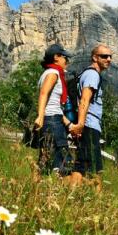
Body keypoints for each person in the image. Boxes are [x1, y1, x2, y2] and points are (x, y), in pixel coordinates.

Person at [71, 44, 112, 176]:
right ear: (95, 58)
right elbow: (84, 100)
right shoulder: (92, 75)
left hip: (87, 125)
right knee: (95, 171)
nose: (109, 59)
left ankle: (69, 195)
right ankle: (98, 197)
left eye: (110, 56)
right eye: (104, 56)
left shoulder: (87, 73)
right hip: (89, 125)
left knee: (81, 168)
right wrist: (81, 125)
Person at [33, 43, 75, 175]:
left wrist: (68, 123)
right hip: (52, 121)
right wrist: (40, 116)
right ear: (56, 57)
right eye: (64, 57)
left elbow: (53, 104)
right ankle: (63, 192)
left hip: (51, 119)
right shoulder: (53, 73)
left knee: (45, 159)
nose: (67, 61)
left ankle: (35, 190)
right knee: (64, 162)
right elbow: (44, 94)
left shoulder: (46, 73)